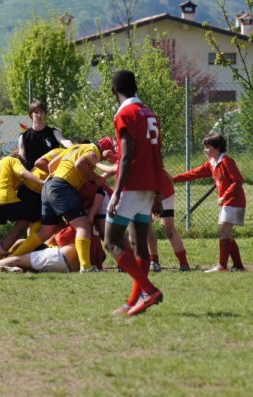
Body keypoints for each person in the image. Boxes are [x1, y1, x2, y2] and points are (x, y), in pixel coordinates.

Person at [104, 70, 164, 316]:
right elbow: (157, 154)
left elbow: (127, 156)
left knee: (111, 241)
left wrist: (116, 192)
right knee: (139, 248)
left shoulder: (125, 113)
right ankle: (133, 301)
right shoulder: (150, 113)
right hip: (149, 185)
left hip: (130, 186)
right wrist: (158, 191)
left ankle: (149, 290)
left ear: (113, 91)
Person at [9, 139, 116, 273]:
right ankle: (86, 267)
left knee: (45, 232)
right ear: (106, 149)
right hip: (63, 186)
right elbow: (80, 164)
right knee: (83, 226)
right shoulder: (92, 151)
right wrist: (95, 178)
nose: (110, 157)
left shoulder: (75, 147)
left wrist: (57, 177)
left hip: (49, 185)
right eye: (112, 153)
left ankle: (11, 259)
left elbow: (51, 165)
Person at [173, 133, 246, 272]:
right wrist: (173, 179)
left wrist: (224, 196)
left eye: (208, 147)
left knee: (224, 232)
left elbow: (238, 180)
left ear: (218, 147)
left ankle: (222, 266)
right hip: (227, 202)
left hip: (234, 200)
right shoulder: (212, 163)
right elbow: (194, 173)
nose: (205, 150)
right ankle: (238, 266)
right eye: (204, 147)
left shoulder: (226, 161)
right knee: (226, 234)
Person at [0, 154, 45, 250]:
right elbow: (22, 172)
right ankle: (34, 246)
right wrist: (42, 182)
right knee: (37, 218)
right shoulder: (13, 160)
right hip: (6, 200)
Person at [147, 169, 191, 272]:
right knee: (146, 226)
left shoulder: (147, 154)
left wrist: (156, 196)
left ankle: (183, 263)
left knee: (168, 228)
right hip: (142, 190)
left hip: (163, 190)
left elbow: (157, 167)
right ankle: (153, 261)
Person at [18, 100, 72, 170]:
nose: (39, 115)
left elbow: (64, 141)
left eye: (41, 112)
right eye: (36, 112)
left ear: (45, 114)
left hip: (51, 175)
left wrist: (72, 146)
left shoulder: (54, 132)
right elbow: (21, 158)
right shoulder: (23, 136)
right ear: (31, 115)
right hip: (33, 176)